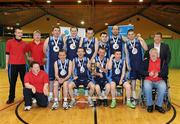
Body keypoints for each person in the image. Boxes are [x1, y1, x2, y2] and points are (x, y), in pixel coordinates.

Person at [140, 48, 167, 113]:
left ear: (157, 54)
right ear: (149, 54)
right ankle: (150, 105)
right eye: (152, 53)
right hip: (148, 80)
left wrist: (159, 74)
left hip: (159, 80)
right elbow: (140, 70)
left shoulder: (162, 61)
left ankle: (158, 105)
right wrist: (148, 73)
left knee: (163, 86)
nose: (153, 54)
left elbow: (166, 72)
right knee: (147, 86)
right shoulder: (145, 61)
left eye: (155, 53)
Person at [5, 28, 28, 104]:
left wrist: (29, 59)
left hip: (23, 65)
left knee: (25, 82)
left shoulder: (24, 43)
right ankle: (11, 98)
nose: (19, 34)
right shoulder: (9, 42)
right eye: (18, 33)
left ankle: (26, 96)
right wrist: (6, 65)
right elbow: (7, 54)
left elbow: (26, 54)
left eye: (21, 33)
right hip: (12, 65)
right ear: (15, 33)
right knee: (12, 82)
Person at [43, 26, 65, 102]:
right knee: (51, 79)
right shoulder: (48, 39)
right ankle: (51, 94)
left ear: (59, 32)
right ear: (52, 32)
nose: (56, 32)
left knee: (59, 78)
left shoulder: (62, 40)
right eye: (55, 30)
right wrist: (48, 57)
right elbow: (44, 50)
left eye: (58, 30)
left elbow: (64, 49)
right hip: (51, 62)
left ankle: (58, 94)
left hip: (60, 62)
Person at [125, 29, 147, 101]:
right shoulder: (126, 44)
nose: (131, 35)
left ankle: (142, 94)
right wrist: (128, 65)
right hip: (132, 64)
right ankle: (134, 94)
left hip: (141, 64)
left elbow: (146, 48)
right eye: (129, 34)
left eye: (132, 34)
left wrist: (142, 39)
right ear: (127, 36)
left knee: (141, 80)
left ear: (134, 34)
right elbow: (127, 55)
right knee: (133, 79)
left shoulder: (139, 41)